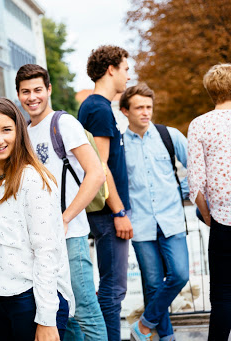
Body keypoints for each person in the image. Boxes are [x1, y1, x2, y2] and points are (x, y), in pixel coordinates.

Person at [15, 64, 107, 341]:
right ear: (18, 94)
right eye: (25, 92)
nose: (32, 97)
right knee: (64, 315)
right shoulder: (24, 132)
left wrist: (65, 218)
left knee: (86, 313)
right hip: (41, 240)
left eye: (38, 90)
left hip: (71, 235)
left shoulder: (63, 124)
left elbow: (97, 174)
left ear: (49, 90)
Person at [0, 96, 74, 341]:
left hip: (34, 301)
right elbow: (0, 251)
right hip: (8, 301)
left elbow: (47, 252)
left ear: (19, 131)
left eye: (6, 130)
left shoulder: (32, 179)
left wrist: (47, 319)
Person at [119, 83, 189, 341]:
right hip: (140, 224)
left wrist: (180, 193)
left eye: (149, 107)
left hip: (172, 221)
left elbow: (195, 166)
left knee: (180, 275)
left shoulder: (169, 135)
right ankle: (166, 337)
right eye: (139, 108)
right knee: (153, 285)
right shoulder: (120, 144)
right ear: (126, 111)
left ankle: (145, 324)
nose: (145, 112)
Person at [77, 45, 133, 341]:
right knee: (113, 289)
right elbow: (100, 167)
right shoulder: (98, 108)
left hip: (105, 213)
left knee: (111, 287)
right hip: (108, 214)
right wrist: (120, 212)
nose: (128, 75)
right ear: (111, 69)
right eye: (125, 69)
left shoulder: (93, 105)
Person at [188, 64, 231, 341]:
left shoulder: (200, 125)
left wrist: (208, 216)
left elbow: (196, 183)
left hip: (222, 221)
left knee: (223, 294)